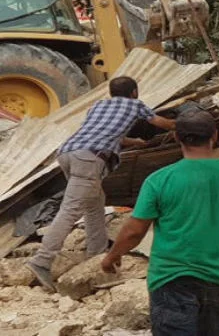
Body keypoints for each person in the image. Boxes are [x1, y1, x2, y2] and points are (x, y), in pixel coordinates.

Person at [101, 109, 219, 336]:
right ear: (214, 136)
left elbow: (134, 231)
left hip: (173, 278)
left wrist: (113, 255)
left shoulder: (160, 179)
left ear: (177, 137)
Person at [27, 76, 176, 291]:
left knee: (95, 203)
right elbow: (161, 123)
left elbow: (107, 134)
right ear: (134, 92)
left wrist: (135, 142)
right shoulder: (135, 104)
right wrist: (183, 126)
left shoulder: (99, 105)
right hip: (89, 158)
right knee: (70, 209)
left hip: (68, 153)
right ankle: (41, 261)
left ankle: (96, 252)